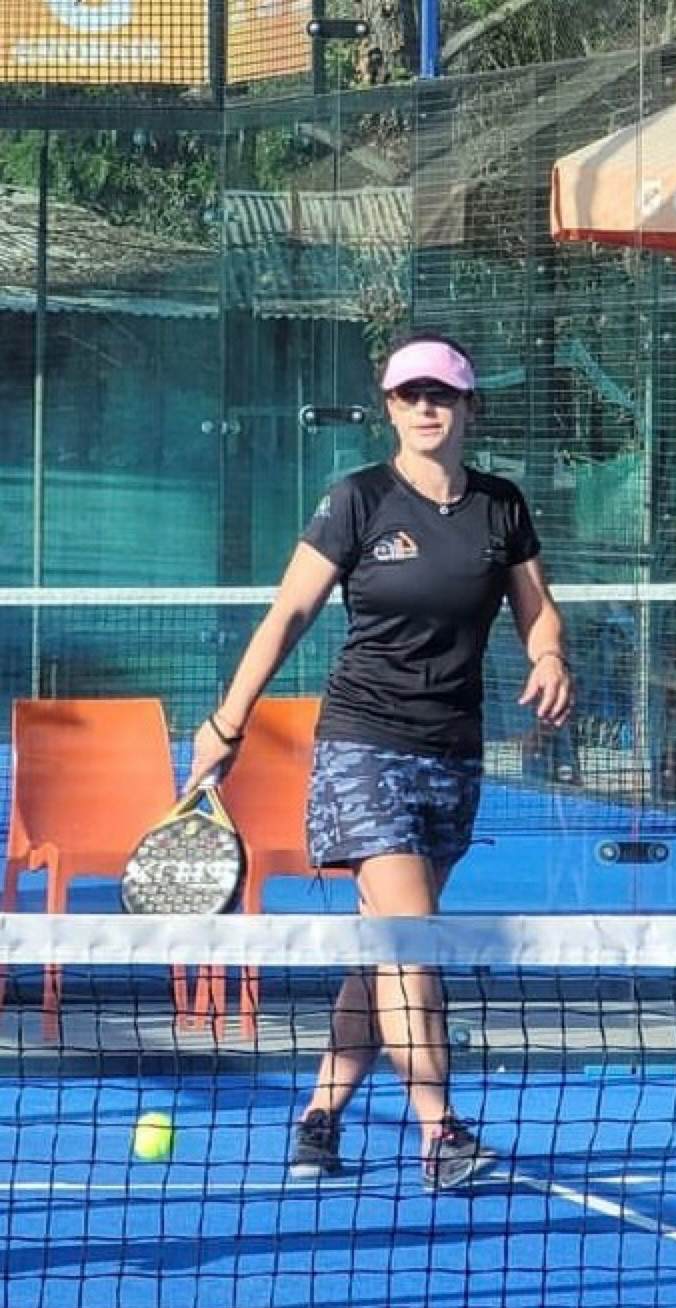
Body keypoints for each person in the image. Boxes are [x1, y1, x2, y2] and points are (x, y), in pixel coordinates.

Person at [187, 331, 574, 1190]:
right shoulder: (357, 500)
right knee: (412, 940)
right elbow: (288, 615)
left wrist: (549, 655)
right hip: (362, 746)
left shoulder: (501, 507)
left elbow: (537, 608)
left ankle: (319, 1115)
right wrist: (227, 722)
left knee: (388, 949)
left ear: (470, 407)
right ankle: (441, 1130)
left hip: (453, 756)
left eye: (442, 394)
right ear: (390, 408)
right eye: (409, 395)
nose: (426, 407)